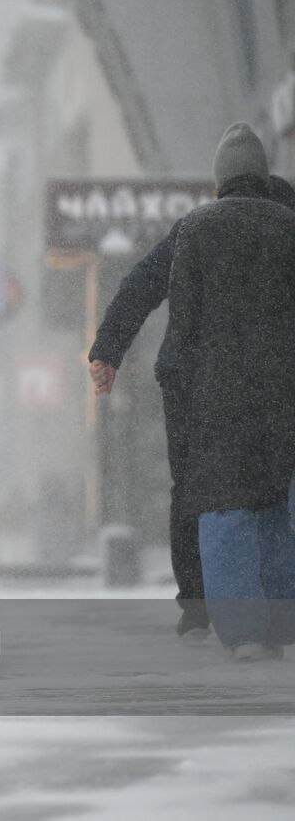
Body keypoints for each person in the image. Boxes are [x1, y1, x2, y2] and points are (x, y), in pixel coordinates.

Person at [90, 169, 295, 645]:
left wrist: (108, 349)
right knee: (273, 496)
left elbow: (141, 283)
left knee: (199, 487)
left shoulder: (197, 226)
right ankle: (270, 614)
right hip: (270, 383)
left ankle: (203, 606)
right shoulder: (285, 224)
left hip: (198, 381)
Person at [166, 122, 295, 661]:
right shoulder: (289, 226)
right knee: (274, 508)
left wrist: (179, 392)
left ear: (219, 181)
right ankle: (278, 625)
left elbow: (184, 327)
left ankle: (241, 629)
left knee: (224, 511)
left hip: (218, 395)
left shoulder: (196, 230)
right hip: (281, 393)